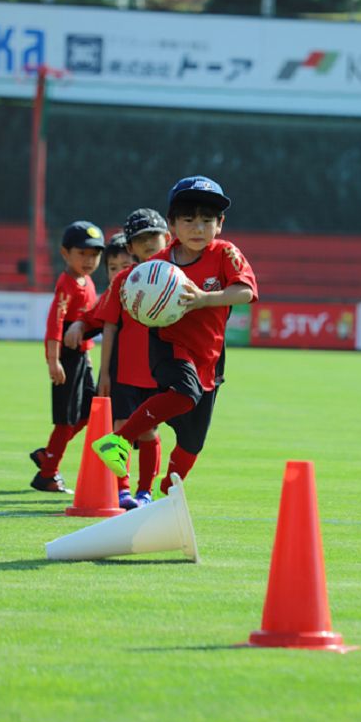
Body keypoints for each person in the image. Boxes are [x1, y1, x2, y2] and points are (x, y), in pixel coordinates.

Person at [91, 176, 258, 495]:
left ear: (220, 224)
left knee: (192, 443)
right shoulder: (157, 265)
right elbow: (129, 290)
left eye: (207, 220)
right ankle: (118, 441)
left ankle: (166, 492)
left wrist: (204, 299)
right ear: (172, 225)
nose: (198, 228)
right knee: (184, 393)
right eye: (188, 220)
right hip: (169, 345)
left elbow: (245, 292)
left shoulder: (225, 254)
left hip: (210, 357)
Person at [73, 209, 173, 509]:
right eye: (140, 239)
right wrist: (104, 373)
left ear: (166, 238)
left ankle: (146, 491)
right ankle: (122, 490)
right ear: (131, 246)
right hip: (125, 371)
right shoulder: (125, 281)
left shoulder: (175, 277)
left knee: (149, 430)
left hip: (158, 370)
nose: (148, 243)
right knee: (121, 427)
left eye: (153, 236)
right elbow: (108, 325)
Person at [28, 220, 104, 493]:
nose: (89, 260)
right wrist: (53, 360)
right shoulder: (66, 284)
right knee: (66, 419)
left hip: (82, 357)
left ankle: (48, 454)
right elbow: (55, 324)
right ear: (65, 253)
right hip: (66, 358)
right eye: (82, 253)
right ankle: (48, 474)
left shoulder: (88, 282)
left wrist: (88, 356)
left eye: (94, 254)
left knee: (89, 412)